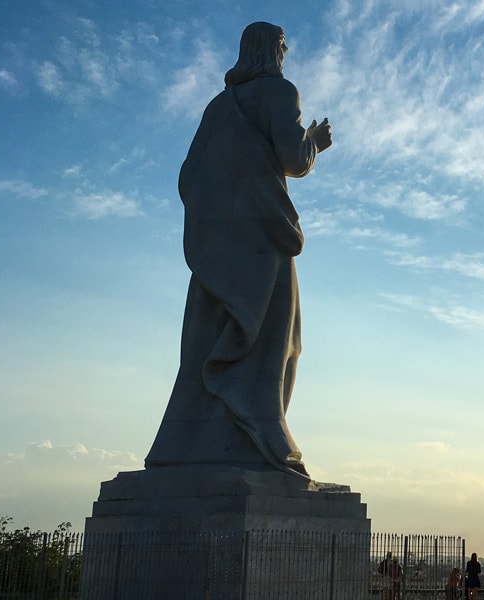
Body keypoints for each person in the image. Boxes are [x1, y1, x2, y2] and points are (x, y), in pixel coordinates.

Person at [145, 21, 332, 478]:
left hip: (219, 253)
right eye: (283, 48)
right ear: (273, 50)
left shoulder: (217, 108)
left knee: (208, 343)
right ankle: (263, 435)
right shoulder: (281, 93)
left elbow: (190, 176)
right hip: (265, 241)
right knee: (280, 344)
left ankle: (196, 443)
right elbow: (294, 158)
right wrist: (315, 143)